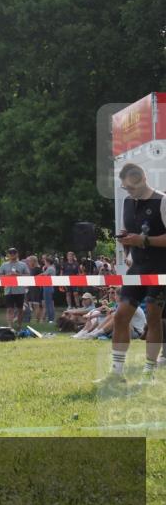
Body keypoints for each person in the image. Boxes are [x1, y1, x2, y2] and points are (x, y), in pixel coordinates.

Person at [105, 163, 166, 383]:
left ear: (143, 179)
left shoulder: (162, 201)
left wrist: (143, 240)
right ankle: (116, 373)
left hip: (161, 268)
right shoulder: (128, 203)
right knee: (120, 316)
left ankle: (148, 373)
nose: (129, 192)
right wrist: (126, 241)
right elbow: (130, 232)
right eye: (125, 188)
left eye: (131, 188)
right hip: (137, 268)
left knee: (153, 317)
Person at [0, 248, 30, 330]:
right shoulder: (4, 265)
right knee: (9, 309)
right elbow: (0, 276)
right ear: (8, 255)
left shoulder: (23, 265)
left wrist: (18, 275)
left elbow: (28, 275)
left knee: (20, 309)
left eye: (14, 253)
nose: (12, 254)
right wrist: (8, 275)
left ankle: (19, 326)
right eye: (10, 253)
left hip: (20, 290)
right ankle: (10, 327)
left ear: (17, 254)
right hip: (8, 290)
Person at [42, 255, 57, 323]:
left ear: (48, 262)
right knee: (49, 303)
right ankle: (50, 318)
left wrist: (43, 269)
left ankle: (51, 319)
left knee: (49, 304)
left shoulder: (50, 268)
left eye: (45, 262)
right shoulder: (51, 268)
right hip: (48, 287)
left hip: (48, 287)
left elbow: (43, 275)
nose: (44, 263)